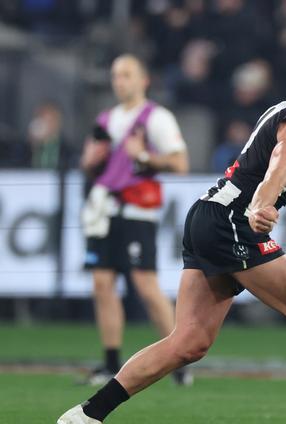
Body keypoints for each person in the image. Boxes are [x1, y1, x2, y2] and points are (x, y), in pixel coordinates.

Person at [57, 48, 286, 424]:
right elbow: (281, 162)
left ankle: (88, 415)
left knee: (189, 342)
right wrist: (261, 204)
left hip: (208, 216)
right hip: (232, 221)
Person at [79, 54, 191, 386]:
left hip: (136, 210)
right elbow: (92, 166)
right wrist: (89, 162)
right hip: (104, 209)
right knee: (102, 283)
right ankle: (110, 362)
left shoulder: (156, 118)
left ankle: (179, 358)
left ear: (143, 80)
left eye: (126, 75)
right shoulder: (105, 119)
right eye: (115, 75)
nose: (119, 81)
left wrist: (141, 155)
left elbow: (180, 163)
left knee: (145, 284)